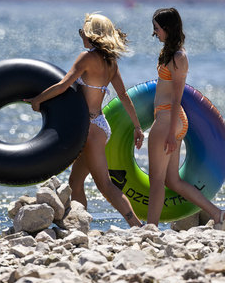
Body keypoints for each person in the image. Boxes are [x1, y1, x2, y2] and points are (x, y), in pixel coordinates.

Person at [25, 13, 144, 227]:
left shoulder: (86, 58)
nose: (81, 36)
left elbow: (63, 85)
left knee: (105, 185)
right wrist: (137, 127)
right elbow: (124, 96)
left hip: (90, 130)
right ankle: (80, 225)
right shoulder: (111, 62)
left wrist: (38, 100)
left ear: (91, 34)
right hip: (99, 126)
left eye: (83, 32)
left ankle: (137, 225)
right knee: (75, 182)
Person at [147, 7, 225, 229]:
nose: (154, 33)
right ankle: (218, 214)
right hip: (170, 119)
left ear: (167, 28)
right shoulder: (169, 53)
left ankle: (150, 229)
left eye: (157, 29)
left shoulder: (179, 57)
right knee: (171, 181)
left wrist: (170, 134)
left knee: (156, 180)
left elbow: (177, 97)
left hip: (168, 119)